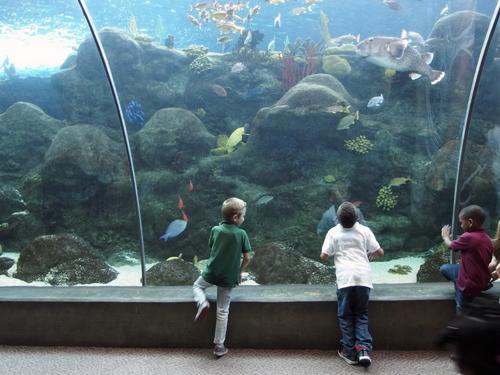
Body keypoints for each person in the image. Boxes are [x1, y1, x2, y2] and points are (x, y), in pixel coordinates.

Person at [320, 201, 384, 367]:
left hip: (345, 279)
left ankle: (349, 352)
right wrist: (369, 253)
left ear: (337, 218)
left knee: (346, 315)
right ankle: (363, 349)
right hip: (363, 278)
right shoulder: (364, 230)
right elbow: (379, 252)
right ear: (357, 217)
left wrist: (335, 251)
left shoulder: (333, 232)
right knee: (361, 314)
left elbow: (324, 255)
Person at [192, 197, 251, 358]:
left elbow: (213, 247)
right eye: (243, 215)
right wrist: (238, 272)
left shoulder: (215, 230)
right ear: (235, 217)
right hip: (228, 277)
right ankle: (219, 346)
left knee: (197, 287)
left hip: (211, 272)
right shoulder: (241, 234)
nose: (244, 218)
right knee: (222, 310)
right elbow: (247, 258)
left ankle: (202, 302)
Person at [440, 205, 493, 314]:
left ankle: (461, 297)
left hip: (469, 285)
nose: (461, 225)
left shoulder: (468, 237)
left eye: (461, 222)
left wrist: (445, 237)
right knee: (445, 268)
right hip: (482, 280)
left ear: (470, 222)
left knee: (462, 308)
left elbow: (451, 246)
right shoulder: (486, 238)